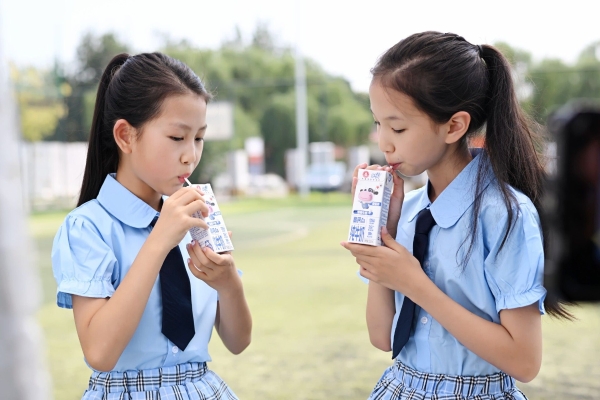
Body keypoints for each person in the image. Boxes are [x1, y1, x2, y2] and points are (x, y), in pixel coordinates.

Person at [341, 31, 572, 400]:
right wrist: (378, 238)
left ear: (454, 126)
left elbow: (525, 362)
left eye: (397, 126)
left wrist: (415, 284)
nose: (384, 142)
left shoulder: (506, 215)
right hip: (400, 387)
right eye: (378, 124)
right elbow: (382, 337)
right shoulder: (410, 211)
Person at [51, 52, 252, 399]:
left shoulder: (197, 218)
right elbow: (99, 352)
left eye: (199, 138)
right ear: (126, 136)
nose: (191, 155)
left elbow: (238, 341)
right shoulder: (88, 228)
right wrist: (159, 241)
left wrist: (228, 283)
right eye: (177, 138)